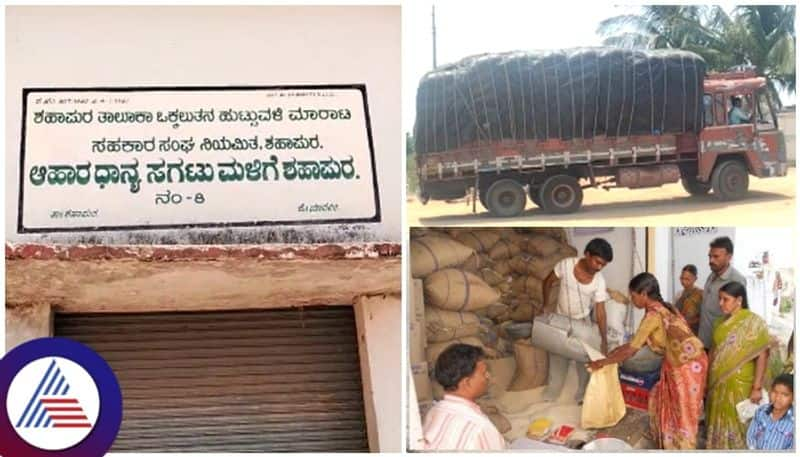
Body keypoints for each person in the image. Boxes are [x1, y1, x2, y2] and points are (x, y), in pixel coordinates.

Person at [588, 273, 707, 450]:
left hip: (687, 366)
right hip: (688, 361)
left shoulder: (653, 315)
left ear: (644, 294)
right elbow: (637, 341)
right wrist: (613, 353)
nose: (632, 300)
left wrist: (603, 362)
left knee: (683, 414)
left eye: (633, 296)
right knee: (664, 401)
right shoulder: (663, 308)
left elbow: (631, 349)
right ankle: (668, 441)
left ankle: (683, 448)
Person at [541, 238, 612, 403]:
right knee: (558, 359)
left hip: (583, 321)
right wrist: (545, 305)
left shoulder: (599, 281)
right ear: (587, 255)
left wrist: (604, 340)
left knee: (584, 360)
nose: (599, 267)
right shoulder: (566, 265)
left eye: (603, 265)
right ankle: (551, 395)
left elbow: (601, 313)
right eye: (597, 262)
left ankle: (581, 396)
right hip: (560, 319)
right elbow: (547, 281)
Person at [706, 281, 772, 449]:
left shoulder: (754, 322)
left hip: (742, 384)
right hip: (718, 383)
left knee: (740, 422)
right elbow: (714, 352)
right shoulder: (719, 323)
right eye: (719, 299)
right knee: (718, 419)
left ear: (739, 300)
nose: (720, 304)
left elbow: (762, 355)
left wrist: (757, 387)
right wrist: (705, 379)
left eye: (725, 299)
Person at [422, 344, 506, 451]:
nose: (488, 377)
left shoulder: (434, 412)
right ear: (467, 382)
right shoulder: (480, 428)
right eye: (484, 373)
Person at [698, 236, 747, 350]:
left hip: (720, 344)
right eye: (710, 256)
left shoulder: (736, 279)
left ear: (729, 257)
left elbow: (739, 315)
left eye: (716, 257)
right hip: (704, 339)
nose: (711, 260)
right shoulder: (712, 275)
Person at [746, 373, 794, 450]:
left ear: (794, 397)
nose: (778, 398)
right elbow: (751, 436)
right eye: (775, 392)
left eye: (785, 394)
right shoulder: (761, 412)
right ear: (770, 391)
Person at [674, 264, 703, 335]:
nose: (683, 282)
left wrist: (688, 322)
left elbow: (703, 316)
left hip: (694, 331)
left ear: (695, 279)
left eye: (687, 279)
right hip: (679, 330)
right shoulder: (679, 294)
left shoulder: (701, 294)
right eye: (682, 278)